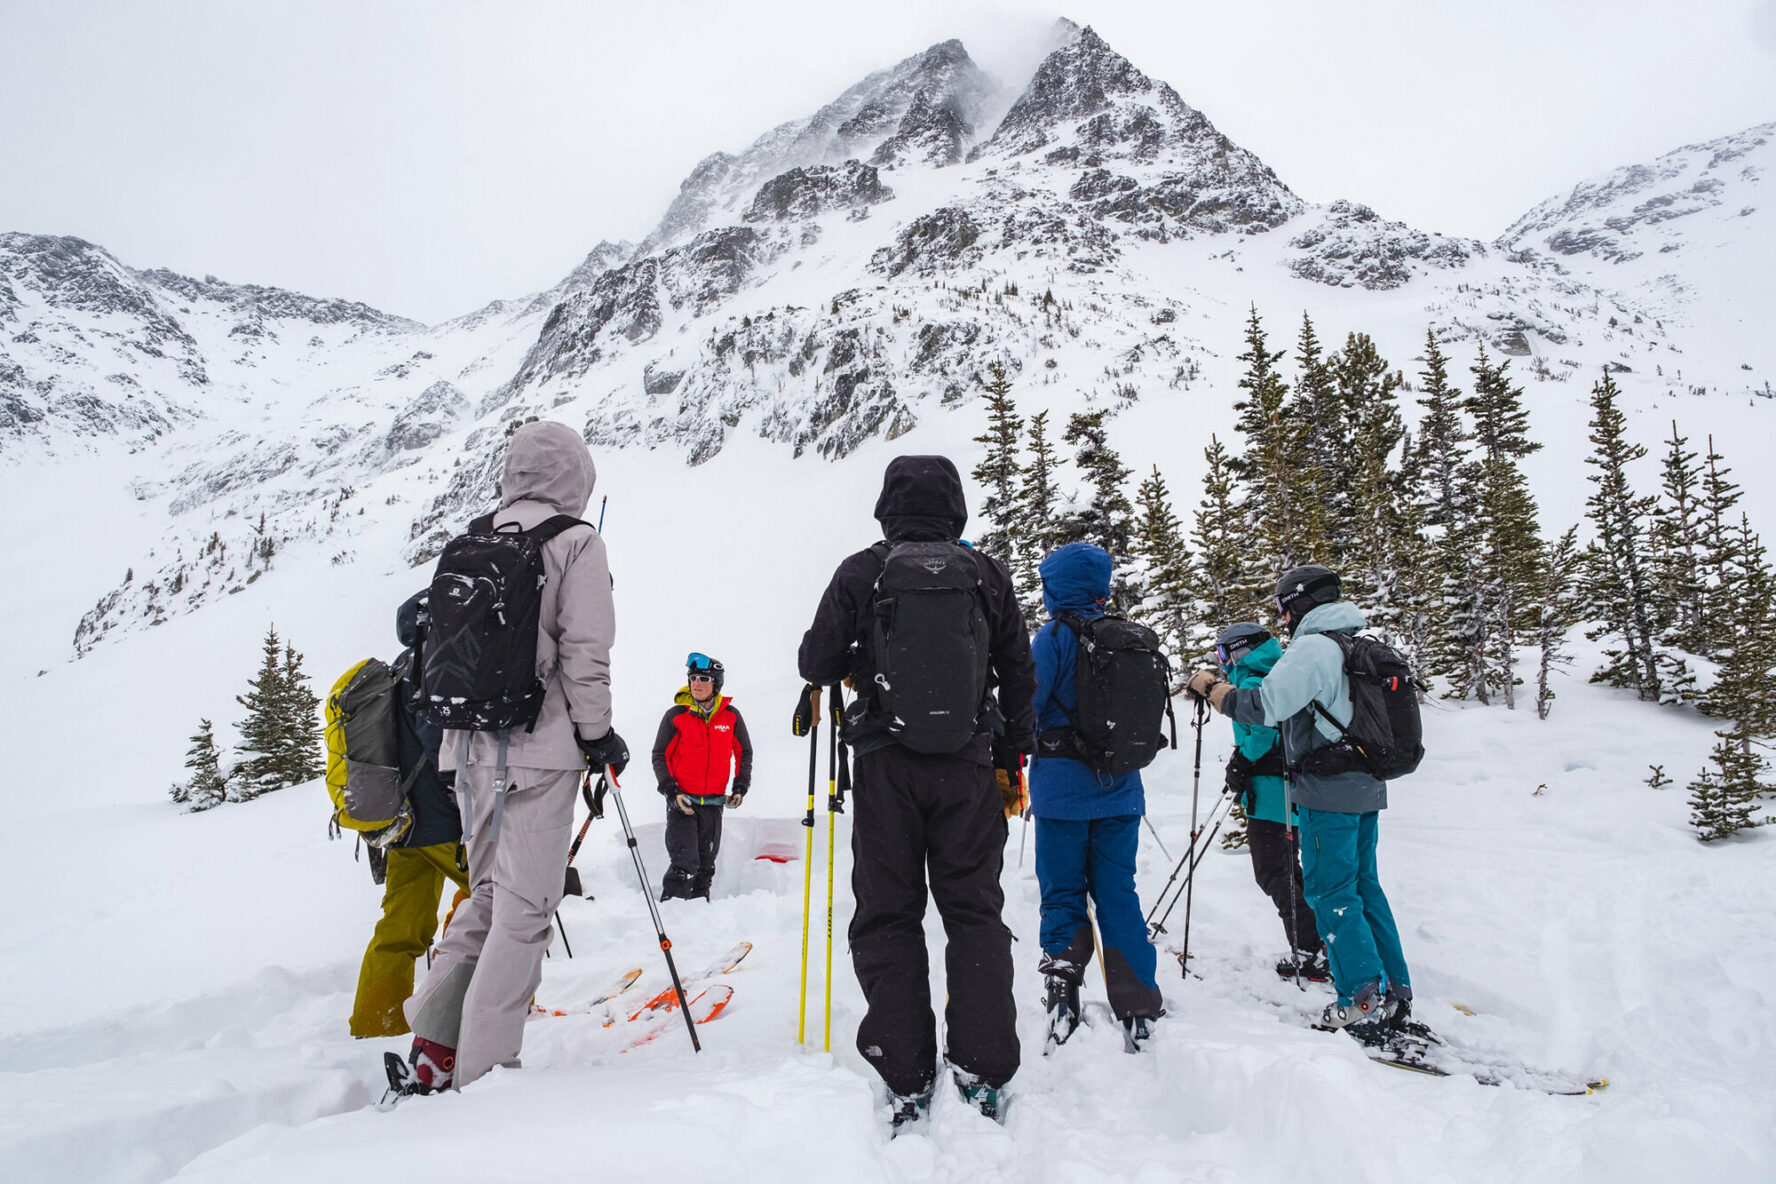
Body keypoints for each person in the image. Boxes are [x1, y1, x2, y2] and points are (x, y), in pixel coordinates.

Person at [796, 455, 1035, 1128]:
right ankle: (985, 1066)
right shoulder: (985, 573)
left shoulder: (864, 569)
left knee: (888, 912)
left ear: (887, 506)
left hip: (883, 766)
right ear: (955, 507)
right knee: (973, 911)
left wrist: (854, 666)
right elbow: (1018, 667)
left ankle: (904, 1070)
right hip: (969, 765)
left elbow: (815, 662)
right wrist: (1015, 753)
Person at [397, 420, 628, 1094]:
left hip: (465, 749)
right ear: (575, 477)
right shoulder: (576, 542)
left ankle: (434, 1047)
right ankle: (486, 1070)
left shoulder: (473, 539)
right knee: (527, 908)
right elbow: (585, 653)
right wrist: (598, 735)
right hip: (538, 750)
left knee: (491, 893)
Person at [1187, 566, 1411, 1040]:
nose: (1282, 617)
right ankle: (1392, 990)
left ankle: (1361, 998)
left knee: (1331, 891)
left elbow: (1264, 708)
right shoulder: (1352, 642)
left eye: (1283, 607)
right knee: (1362, 887)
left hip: (1327, 790)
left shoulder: (1314, 648)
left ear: (1299, 603)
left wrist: (1213, 689)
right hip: (1363, 783)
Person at [1028, 542, 1165, 1045]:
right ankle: (1139, 1002)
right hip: (1122, 792)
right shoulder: (1129, 640)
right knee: (1117, 893)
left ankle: (1063, 990)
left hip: (1061, 794)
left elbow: (1029, 703)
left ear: (1055, 588)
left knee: (1063, 891)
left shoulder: (1054, 638)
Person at [349, 590, 472, 1038]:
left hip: (401, 826)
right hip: (442, 825)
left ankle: (378, 1022)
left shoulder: (399, 669)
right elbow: (446, 756)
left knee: (401, 925)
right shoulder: (440, 671)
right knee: (494, 904)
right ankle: (478, 1005)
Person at [1212, 621, 1327, 983]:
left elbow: (1260, 732)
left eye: (1222, 652)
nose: (1222, 661)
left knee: (1274, 871)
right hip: (1285, 787)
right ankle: (1316, 943)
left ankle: (1310, 949)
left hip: (1272, 790)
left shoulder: (1253, 680)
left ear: (1239, 649)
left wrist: (1241, 761)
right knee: (1286, 870)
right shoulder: (1277, 672)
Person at [651, 652, 753, 901]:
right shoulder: (676, 716)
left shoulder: (730, 717)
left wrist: (740, 786)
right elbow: (659, 755)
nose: (696, 683)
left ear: (716, 683)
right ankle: (673, 914)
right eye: (693, 678)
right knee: (684, 864)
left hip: (714, 804)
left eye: (703, 678)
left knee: (706, 866)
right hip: (682, 803)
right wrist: (671, 792)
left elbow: (744, 752)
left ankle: (698, 919)